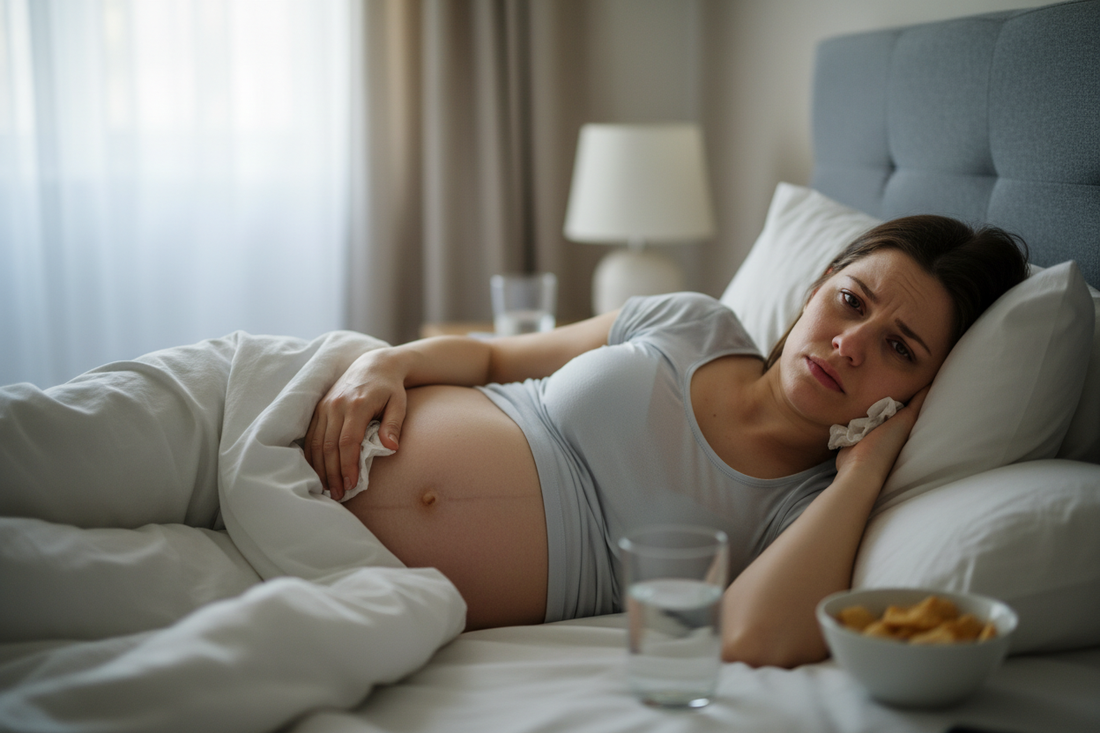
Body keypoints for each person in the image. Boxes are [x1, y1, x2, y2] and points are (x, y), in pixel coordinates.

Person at [0, 214, 1028, 671]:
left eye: (896, 348)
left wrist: (865, 473)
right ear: (813, 287)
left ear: (919, 390)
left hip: (313, 571)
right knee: (32, 444)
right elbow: (493, 355)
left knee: (32, 584)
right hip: (277, 406)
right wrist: (386, 365)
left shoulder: (805, 512)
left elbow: (748, 639)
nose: (849, 343)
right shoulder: (684, 321)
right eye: (848, 300)